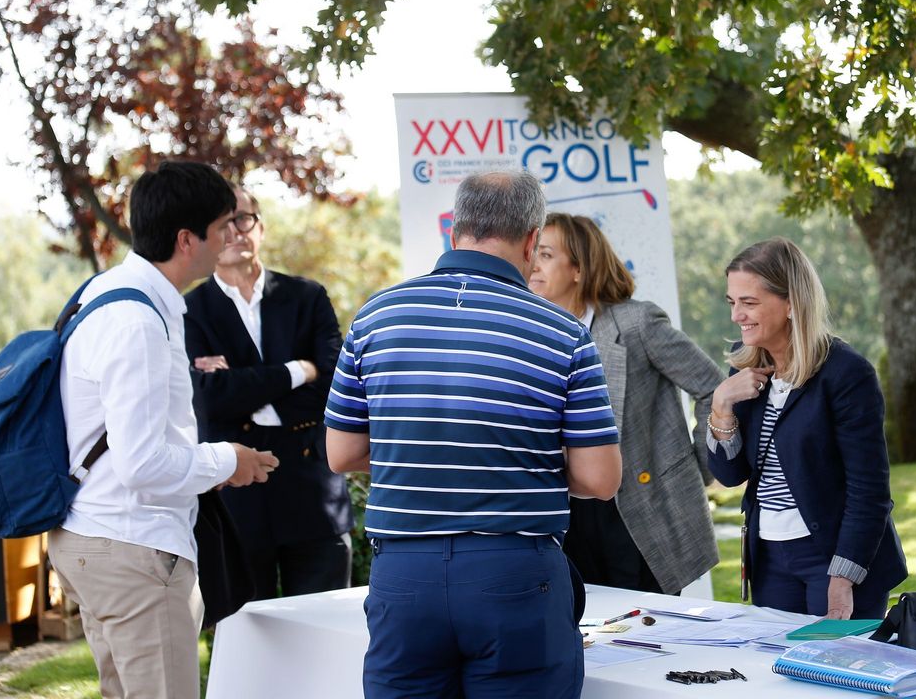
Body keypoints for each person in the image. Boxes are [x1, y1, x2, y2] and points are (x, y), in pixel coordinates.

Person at [324, 170, 622, 699]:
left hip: (404, 572)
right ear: (531, 241)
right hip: (514, 571)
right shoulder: (564, 332)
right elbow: (600, 479)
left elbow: (342, 452)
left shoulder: (375, 317)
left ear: (455, 228)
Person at [49, 161, 279, 699]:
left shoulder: (107, 291)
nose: (231, 237)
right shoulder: (138, 322)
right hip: (133, 546)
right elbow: (143, 463)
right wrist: (229, 460)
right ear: (186, 239)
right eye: (222, 226)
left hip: (94, 534)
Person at [706, 238, 906, 620]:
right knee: (776, 659)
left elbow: (870, 491)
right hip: (770, 560)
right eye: (732, 302)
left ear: (792, 304)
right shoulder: (744, 371)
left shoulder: (846, 373)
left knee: (836, 658)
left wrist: (844, 576)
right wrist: (721, 407)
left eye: (749, 302)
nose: (736, 315)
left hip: (835, 559)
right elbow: (730, 475)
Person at [528, 212, 722, 594]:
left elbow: (712, 388)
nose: (533, 264)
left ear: (579, 269)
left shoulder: (635, 323)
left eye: (546, 254)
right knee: (579, 624)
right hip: (563, 517)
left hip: (636, 514)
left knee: (645, 626)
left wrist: (696, 469)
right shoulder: (531, 334)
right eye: (533, 253)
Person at [184, 186, 353, 600]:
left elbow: (335, 386)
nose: (234, 232)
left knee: (322, 627)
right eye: (222, 223)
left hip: (313, 496)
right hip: (235, 497)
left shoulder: (308, 297)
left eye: (243, 219)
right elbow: (208, 399)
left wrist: (242, 388)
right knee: (243, 631)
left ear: (260, 227)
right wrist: (298, 370)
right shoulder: (188, 310)